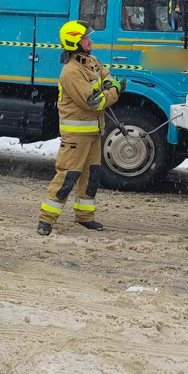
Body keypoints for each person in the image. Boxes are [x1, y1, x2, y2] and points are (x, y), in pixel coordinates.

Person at [37, 20, 124, 236]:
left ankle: (85, 217)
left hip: (93, 132)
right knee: (67, 176)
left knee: (91, 176)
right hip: (76, 137)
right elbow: (93, 101)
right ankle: (46, 219)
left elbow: (106, 76)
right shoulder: (71, 71)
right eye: (86, 38)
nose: (90, 40)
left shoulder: (91, 61)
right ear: (75, 42)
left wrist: (110, 84)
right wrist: (116, 91)